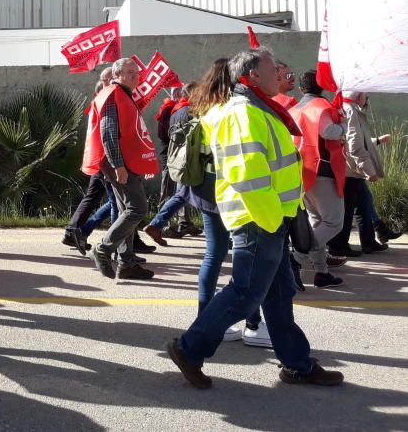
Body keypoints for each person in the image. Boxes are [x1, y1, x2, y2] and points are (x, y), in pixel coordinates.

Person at [166, 48, 342, 389]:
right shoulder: (243, 113)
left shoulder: (258, 109)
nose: (280, 74)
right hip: (259, 219)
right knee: (246, 293)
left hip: (270, 218)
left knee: (278, 296)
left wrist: (281, 217)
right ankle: (189, 348)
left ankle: (297, 364)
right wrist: (273, 219)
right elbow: (247, 176)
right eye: (272, 68)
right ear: (252, 75)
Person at [186, 59, 269, 348]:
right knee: (246, 259)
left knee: (215, 254)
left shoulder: (200, 108)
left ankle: (204, 317)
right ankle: (253, 323)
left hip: (206, 192)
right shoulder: (232, 112)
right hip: (232, 193)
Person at [88, 58, 159, 281]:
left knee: (124, 210)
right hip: (118, 163)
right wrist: (118, 165)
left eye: (137, 72)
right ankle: (103, 248)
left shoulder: (124, 94)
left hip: (125, 161)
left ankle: (126, 263)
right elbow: (108, 133)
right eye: (129, 72)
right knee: (137, 208)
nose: (135, 76)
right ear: (117, 75)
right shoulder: (113, 95)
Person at [289, 71, 347, 288]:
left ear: (301, 89)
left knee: (317, 222)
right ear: (321, 87)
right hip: (321, 170)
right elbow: (328, 131)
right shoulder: (321, 107)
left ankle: (321, 272)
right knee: (333, 222)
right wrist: (344, 126)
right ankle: (296, 259)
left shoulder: (294, 109)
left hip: (301, 172)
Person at [328, 91, 394, 256]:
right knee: (349, 208)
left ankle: (369, 242)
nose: (367, 99)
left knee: (363, 205)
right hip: (351, 169)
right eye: (366, 95)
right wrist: (369, 170)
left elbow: (358, 141)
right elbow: (354, 144)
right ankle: (339, 246)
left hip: (352, 169)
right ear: (358, 96)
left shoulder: (349, 109)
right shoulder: (351, 111)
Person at [65, 68, 114, 255]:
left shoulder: (101, 102)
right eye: (109, 80)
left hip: (100, 158)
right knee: (118, 203)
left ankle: (74, 231)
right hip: (105, 159)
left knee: (96, 197)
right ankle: (81, 231)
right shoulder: (103, 103)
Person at [144, 83, 197, 246]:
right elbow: (165, 135)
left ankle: (176, 223)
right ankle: (163, 224)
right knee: (173, 191)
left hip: (175, 155)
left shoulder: (174, 111)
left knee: (181, 192)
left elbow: (164, 134)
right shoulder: (183, 111)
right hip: (180, 157)